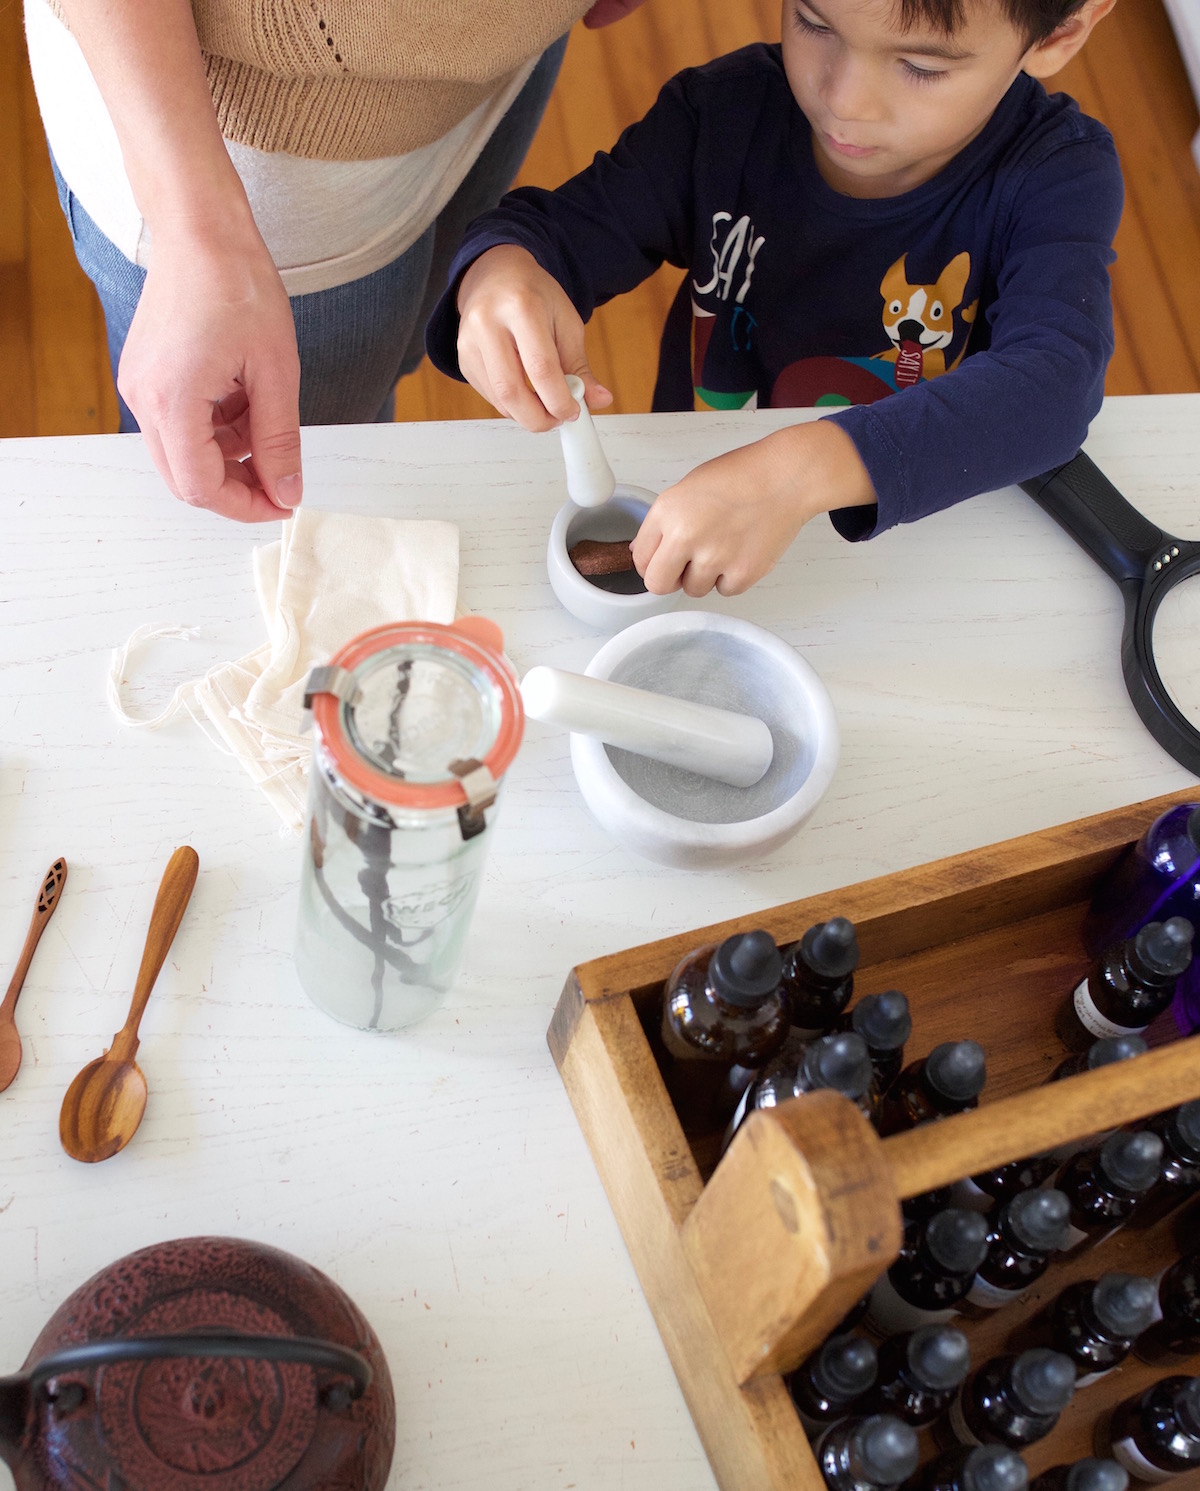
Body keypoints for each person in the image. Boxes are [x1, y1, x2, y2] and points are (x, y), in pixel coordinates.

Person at [426, 0, 1122, 599]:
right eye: (815, 22)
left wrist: (794, 476)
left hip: (924, 540)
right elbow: (553, 233)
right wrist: (498, 272)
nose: (845, 99)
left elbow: (1054, 383)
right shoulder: (722, 117)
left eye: (922, 67)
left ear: (1061, 32)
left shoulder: (1057, 173)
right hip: (704, 508)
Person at [25, 0, 647, 522]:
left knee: (398, 358)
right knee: (252, 503)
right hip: (241, 149)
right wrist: (196, 228)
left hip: (509, 54)